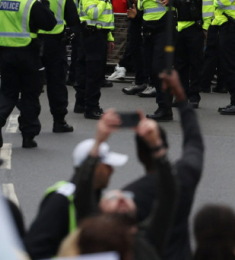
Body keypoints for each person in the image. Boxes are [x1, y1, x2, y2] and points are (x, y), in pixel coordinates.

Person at [66, 109, 178, 260]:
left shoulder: (147, 239)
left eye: (125, 196)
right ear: (100, 213)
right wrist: (99, 141)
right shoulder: (93, 237)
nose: (121, 199)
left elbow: (168, 196)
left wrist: (156, 143)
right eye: (112, 198)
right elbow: (82, 194)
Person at [123, 71, 204, 260]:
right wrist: (182, 98)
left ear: (139, 155)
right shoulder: (184, 176)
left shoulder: (130, 196)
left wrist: (99, 141)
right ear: (166, 146)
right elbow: (194, 141)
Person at [24, 118, 128, 259]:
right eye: (107, 165)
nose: (112, 170)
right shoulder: (60, 200)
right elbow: (35, 250)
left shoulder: (97, 197)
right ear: (95, 168)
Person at [0, 0, 57, 149]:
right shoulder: (32, 3)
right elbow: (49, 24)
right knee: (30, 95)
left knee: (7, 91)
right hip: (29, 55)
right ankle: (28, 136)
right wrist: (45, 2)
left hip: (5, 55)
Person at [127, 0, 182, 120]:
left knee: (160, 70)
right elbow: (144, 11)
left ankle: (165, 109)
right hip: (149, 33)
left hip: (164, 32)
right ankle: (163, 107)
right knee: (152, 71)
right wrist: (135, 15)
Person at [30, 0, 80, 133]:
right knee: (56, 83)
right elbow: (73, 19)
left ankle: (29, 121)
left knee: (32, 83)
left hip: (33, 42)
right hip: (55, 43)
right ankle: (59, 121)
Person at [171, 0, 211, 109]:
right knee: (179, 65)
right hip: (177, 28)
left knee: (195, 64)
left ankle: (194, 96)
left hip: (195, 28)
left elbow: (207, 6)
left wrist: (206, 28)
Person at [75, 0, 115, 119]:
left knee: (88, 71)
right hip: (92, 36)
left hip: (99, 35)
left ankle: (82, 104)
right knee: (94, 73)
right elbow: (94, 13)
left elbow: (107, 18)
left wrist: (110, 37)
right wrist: (104, 1)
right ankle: (91, 108)